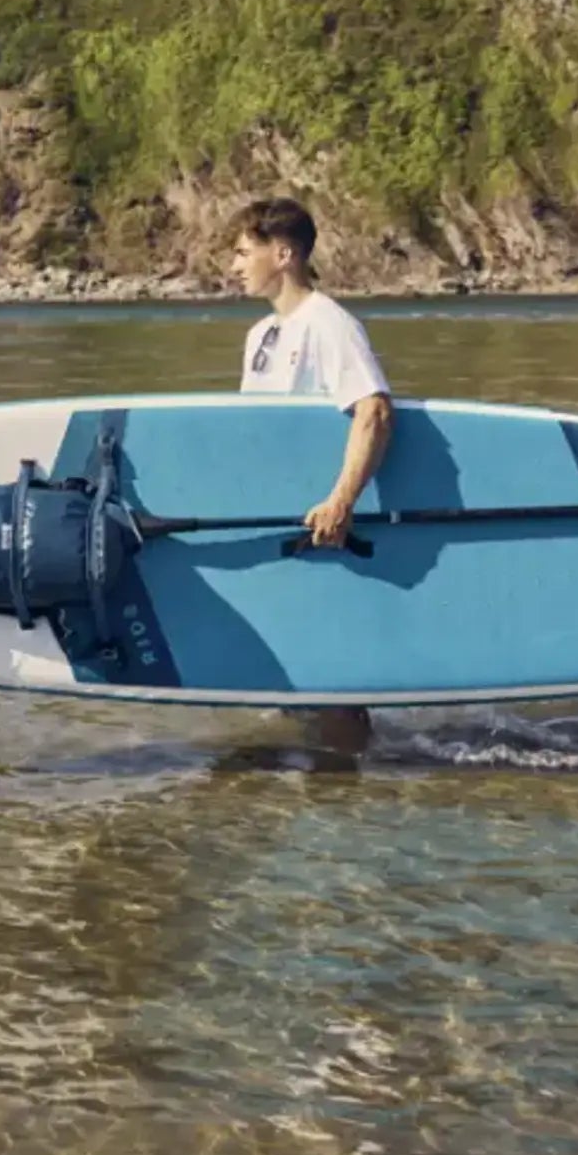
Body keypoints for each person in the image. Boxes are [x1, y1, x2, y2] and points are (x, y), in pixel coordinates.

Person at [229, 196, 393, 754]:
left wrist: (341, 501)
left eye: (242, 252)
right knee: (293, 661)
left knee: (329, 667)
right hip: (276, 522)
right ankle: (324, 780)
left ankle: (349, 783)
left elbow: (373, 411)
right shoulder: (261, 336)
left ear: (283, 253)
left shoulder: (329, 324)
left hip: (323, 521)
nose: (234, 264)